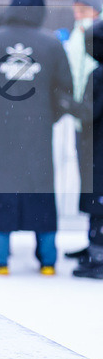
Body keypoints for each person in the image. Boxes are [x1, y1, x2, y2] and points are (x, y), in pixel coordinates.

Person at [0, 0, 74, 275]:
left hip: (1, 129)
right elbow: (65, 89)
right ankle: (48, 259)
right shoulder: (52, 44)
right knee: (41, 188)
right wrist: (48, 117)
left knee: (2, 187)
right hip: (38, 130)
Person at [65, 0, 103, 263]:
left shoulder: (95, 34)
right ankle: (92, 239)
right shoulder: (77, 34)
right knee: (90, 181)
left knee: (97, 182)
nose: (78, 15)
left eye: (83, 9)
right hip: (85, 117)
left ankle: (97, 245)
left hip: (93, 114)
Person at [74, 20, 103, 279]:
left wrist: (66, 103)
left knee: (98, 204)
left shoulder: (98, 75)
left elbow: (89, 112)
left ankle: (98, 257)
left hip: (98, 151)